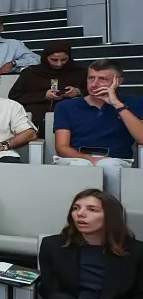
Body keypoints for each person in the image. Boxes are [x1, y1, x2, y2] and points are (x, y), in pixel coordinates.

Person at [53, 59, 143, 197]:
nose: (94, 84)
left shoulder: (134, 103)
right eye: (91, 78)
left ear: (118, 81)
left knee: (109, 166)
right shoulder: (66, 106)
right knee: (82, 166)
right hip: (76, 157)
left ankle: (112, 212)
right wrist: (90, 160)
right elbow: (62, 147)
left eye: (102, 79)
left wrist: (117, 105)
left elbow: (141, 138)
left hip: (115, 159)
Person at [7, 40, 86, 127]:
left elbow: (91, 92)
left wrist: (78, 92)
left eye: (64, 59)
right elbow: (14, 96)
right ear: (46, 57)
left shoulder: (78, 72)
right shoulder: (31, 73)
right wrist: (43, 96)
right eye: (54, 60)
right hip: (36, 118)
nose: (59, 64)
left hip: (71, 117)